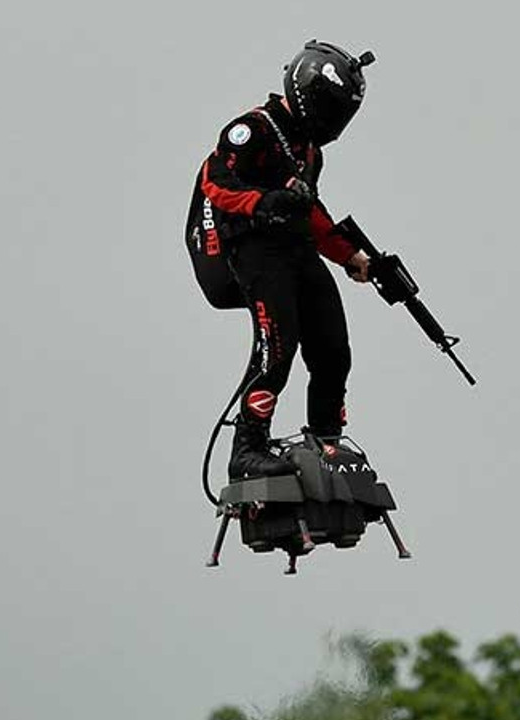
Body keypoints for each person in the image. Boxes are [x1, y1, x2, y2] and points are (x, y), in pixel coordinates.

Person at [189, 40, 375, 479]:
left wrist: (352, 256)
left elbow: (310, 212)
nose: (334, 123)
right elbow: (214, 182)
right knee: (278, 345)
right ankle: (246, 449)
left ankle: (326, 443)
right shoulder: (253, 128)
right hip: (251, 248)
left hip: (294, 248)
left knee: (333, 346)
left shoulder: (311, 152)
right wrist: (263, 202)